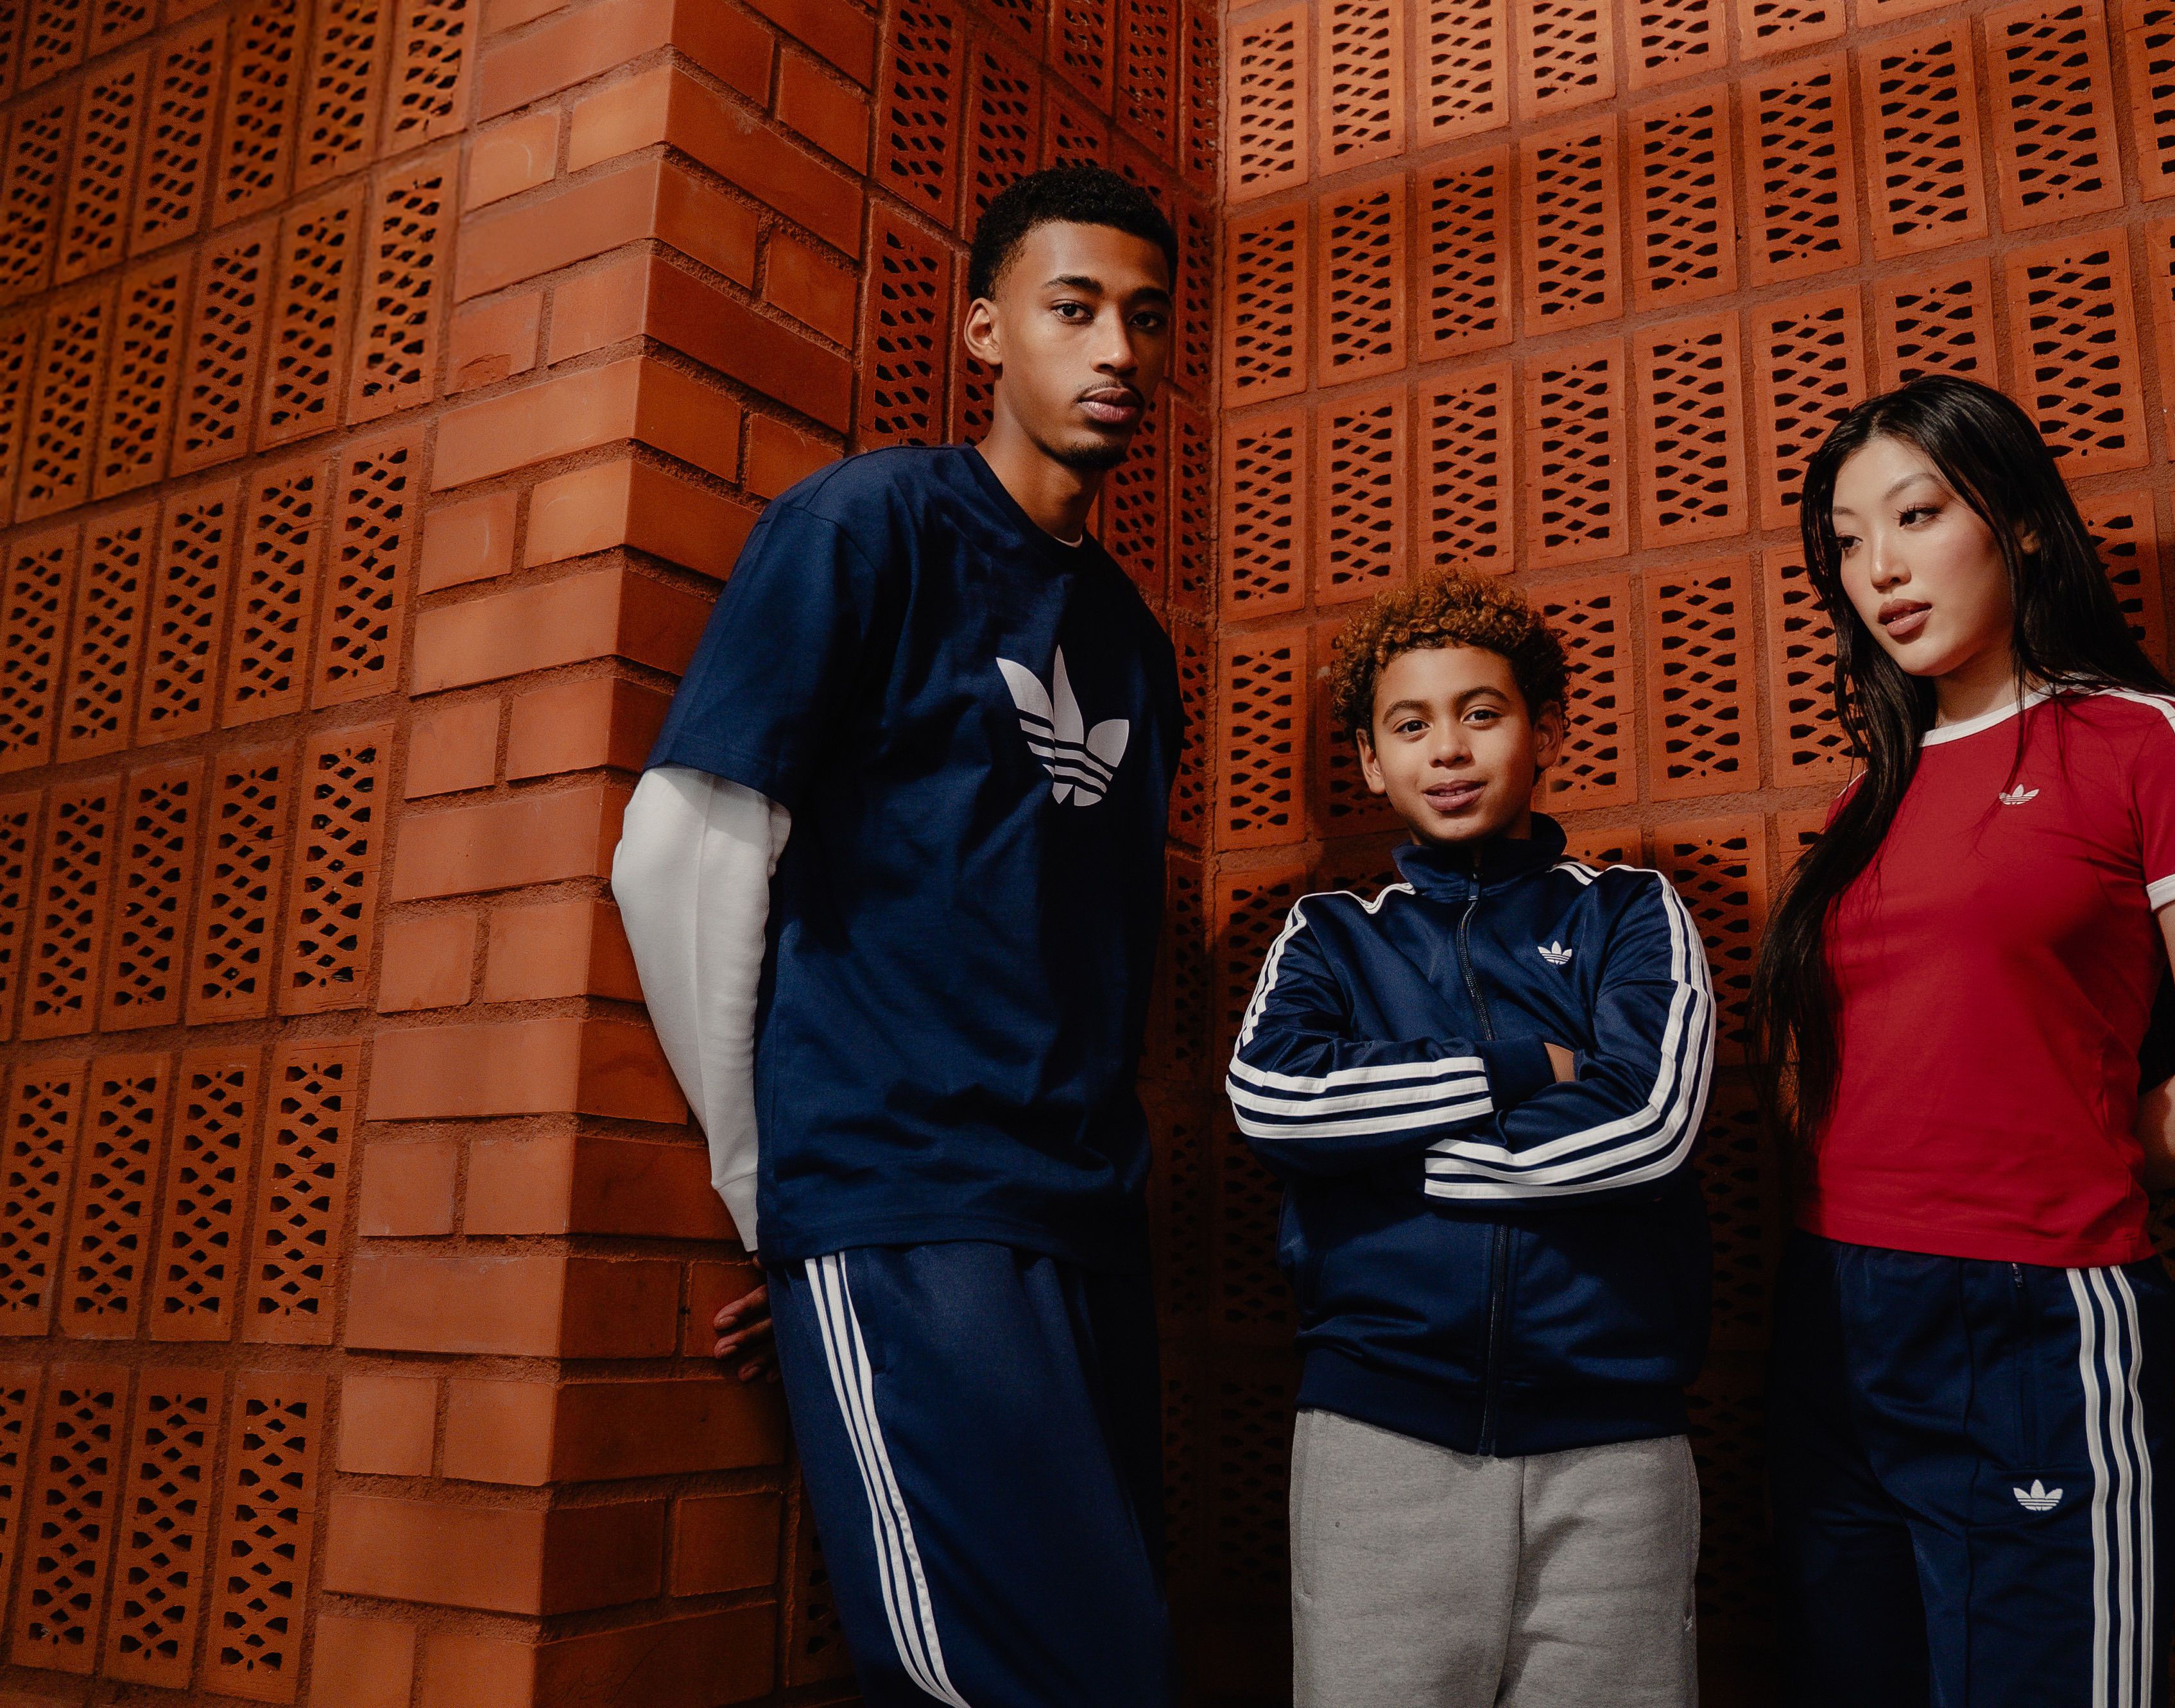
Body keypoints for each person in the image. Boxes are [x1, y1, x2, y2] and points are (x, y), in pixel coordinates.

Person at [610, 165, 1185, 1707]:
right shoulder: (869, 526)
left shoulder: (1133, 639)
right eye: (1073, 310)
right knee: (1000, 1676)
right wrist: (774, 1186)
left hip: (1082, 1220)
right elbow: (683, 849)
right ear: (987, 330)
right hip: (909, 1193)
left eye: (1142, 316)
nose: (1113, 348)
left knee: (1117, 1659)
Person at [1754, 375, 2175, 1708]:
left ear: (2018, 524)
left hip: (2028, 1313)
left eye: (1914, 512)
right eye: (1842, 540)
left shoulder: (2147, 740)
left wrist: (2035, 1168)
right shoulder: (1863, 795)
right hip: (1830, 1312)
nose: (1875, 568)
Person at [1227, 569, 1715, 1708]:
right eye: (1410, 723)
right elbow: (1273, 1103)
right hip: (1375, 1439)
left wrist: (1378, 1171)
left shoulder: (1629, 912)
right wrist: (1511, 1071)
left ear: (1544, 732)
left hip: (1613, 1448)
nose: (1445, 748)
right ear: (1368, 760)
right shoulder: (1330, 937)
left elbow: (1645, 1129)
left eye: (1479, 712)